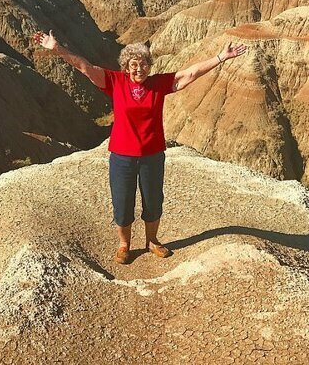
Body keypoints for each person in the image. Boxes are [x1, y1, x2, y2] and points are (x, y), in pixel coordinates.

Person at [32, 30, 247, 265]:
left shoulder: (158, 84)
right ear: (126, 66)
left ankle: (152, 241)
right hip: (122, 156)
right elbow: (84, 66)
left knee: (153, 200)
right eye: (134, 64)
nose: (139, 69)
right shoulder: (115, 82)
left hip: (152, 155)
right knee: (123, 203)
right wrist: (57, 48)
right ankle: (124, 245)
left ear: (149, 66)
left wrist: (221, 57)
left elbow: (191, 73)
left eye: (143, 64)